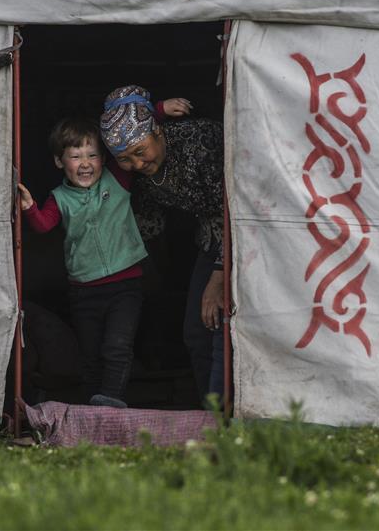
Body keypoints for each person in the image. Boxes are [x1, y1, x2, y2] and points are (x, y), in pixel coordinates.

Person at [100, 85, 226, 405]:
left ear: (158, 131)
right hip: (209, 241)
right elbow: (148, 225)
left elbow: (235, 207)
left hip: (244, 238)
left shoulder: (201, 142)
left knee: (223, 331)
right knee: (196, 334)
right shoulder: (142, 174)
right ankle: (208, 417)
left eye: (141, 152)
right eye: (125, 159)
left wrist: (220, 274)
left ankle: (230, 420)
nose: (137, 164)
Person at [17, 116, 147, 408]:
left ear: (105, 159)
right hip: (84, 290)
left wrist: (161, 109)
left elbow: (131, 135)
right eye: (75, 156)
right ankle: (90, 408)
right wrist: (29, 207)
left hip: (126, 285)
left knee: (117, 347)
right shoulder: (59, 198)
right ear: (59, 162)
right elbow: (43, 225)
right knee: (90, 353)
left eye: (93, 155)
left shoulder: (118, 179)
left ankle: (111, 403)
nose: (85, 163)